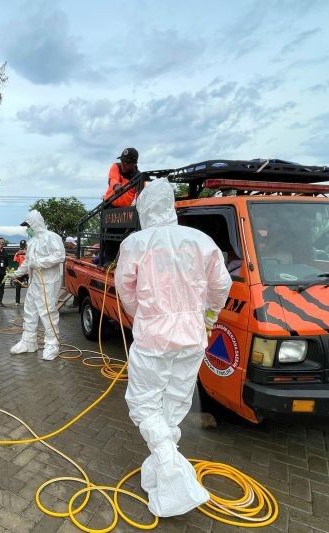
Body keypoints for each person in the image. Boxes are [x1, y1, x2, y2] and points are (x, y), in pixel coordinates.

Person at [115, 178, 232, 517]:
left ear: (145, 210)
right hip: (193, 336)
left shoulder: (137, 243)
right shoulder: (200, 240)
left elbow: (127, 291)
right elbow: (221, 285)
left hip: (154, 338)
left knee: (143, 403)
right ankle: (161, 477)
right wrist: (208, 318)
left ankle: (173, 475)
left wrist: (144, 317)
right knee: (175, 403)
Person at [9, 210, 66, 361]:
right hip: (34, 281)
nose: (28, 228)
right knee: (30, 310)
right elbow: (28, 262)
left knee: (47, 312)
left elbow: (59, 256)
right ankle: (29, 342)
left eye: (28, 225)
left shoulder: (52, 237)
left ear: (35, 223)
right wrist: (16, 273)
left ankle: (52, 345)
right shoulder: (32, 241)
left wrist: (39, 263)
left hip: (48, 281)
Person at [13, 240, 28, 306]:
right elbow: (15, 260)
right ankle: (17, 302)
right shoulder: (18, 252)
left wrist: (26, 252)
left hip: (28, 272)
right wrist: (18, 253)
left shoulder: (29, 251)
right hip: (21, 272)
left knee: (32, 286)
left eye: (24, 245)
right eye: (22, 245)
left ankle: (32, 302)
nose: (23, 246)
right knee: (18, 286)